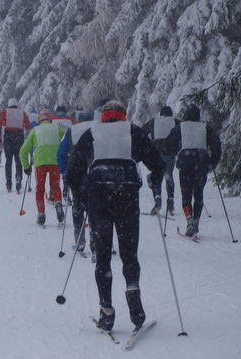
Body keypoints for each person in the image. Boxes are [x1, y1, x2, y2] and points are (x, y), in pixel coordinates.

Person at [66, 100, 164, 333]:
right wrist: (154, 179)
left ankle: (107, 310)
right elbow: (157, 163)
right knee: (129, 253)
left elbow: (72, 172)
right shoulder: (133, 132)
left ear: (104, 116)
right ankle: (133, 293)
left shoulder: (92, 133)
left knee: (103, 255)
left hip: (99, 195)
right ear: (123, 115)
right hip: (127, 195)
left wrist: (83, 195)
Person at [166, 104, 221, 237]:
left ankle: (189, 219)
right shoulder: (205, 128)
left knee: (186, 194)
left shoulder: (180, 127)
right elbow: (216, 145)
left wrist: (175, 153)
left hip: (185, 164)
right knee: (198, 194)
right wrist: (213, 162)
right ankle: (196, 221)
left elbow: (169, 144)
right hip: (201, 163)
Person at [57, 109, 94, 254]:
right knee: (95, 208)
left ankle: (80, 241)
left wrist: (64, 171)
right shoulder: (98, 129)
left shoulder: (72, 130)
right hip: (95, 172)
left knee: (78, 207)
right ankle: (96, 241)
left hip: (76, 173)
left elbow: (61, 153)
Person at [20, 109, 65, 226]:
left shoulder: (35, 130)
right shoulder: (58, 129)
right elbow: (67, 142)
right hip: (55, 161)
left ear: (39, 120)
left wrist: (26, 166)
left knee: (40, 188)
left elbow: (23, 150)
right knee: (55, 186)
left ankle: (41, 213)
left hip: (40, 163)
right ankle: (58, 202)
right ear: (50, 119)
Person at [142, 105, 180, 215]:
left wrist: (148, 145)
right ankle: (171, 204)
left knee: (156, 176)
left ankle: (157, 201)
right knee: (169, 176)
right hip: (170, 154)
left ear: (161, 114)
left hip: (157, 153)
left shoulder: (154, 122)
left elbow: (142, 132)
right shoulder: (175, 122)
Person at [0, 98, 30, 193]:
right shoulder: (22, 113)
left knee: (8, 161)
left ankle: (8, 184)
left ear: (9, 104)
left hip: (8, 139)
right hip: (19, 138)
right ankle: (18, 182)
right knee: (18, 161)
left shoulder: (5, 112)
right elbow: (28, 125)